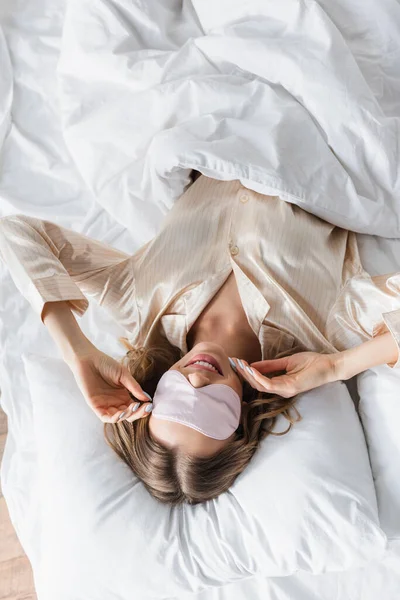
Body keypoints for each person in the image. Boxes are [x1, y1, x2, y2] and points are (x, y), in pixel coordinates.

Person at [0, 172, 399, 506]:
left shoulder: (139, 305)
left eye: (176, 401)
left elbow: (17, 232)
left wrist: (78, 352)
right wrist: (337, 366)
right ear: (240, 420)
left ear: (152, 397)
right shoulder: (323, 329)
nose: (196, 381)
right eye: (210, 408)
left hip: (215, 116)